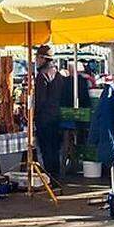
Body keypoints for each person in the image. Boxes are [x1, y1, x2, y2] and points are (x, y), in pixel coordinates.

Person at [33, 46, 66, 179]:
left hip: (45, 117)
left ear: (42, 59)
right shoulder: (57, 74)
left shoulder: (42, 75)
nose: (36, 61)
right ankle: (55, 175)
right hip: (56, 115)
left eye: (37, 58)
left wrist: (34, 114)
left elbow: (40, 100)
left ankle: (50, 176)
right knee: (54, 147)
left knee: (47, 148)